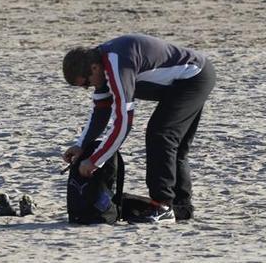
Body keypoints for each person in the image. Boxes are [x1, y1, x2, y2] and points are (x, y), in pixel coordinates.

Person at [61, 33, 215, 223]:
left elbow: (123, 122)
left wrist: (95, 160)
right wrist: (81, 145)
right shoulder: (101, 65)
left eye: (85, 83)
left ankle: (163, 205)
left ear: (94, 68)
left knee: (161, 135)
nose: (87, 88)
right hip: (185, 81)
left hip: (194, 77)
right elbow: (101, 112)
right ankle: (181, 208)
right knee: (174, 145)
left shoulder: (116, 65)